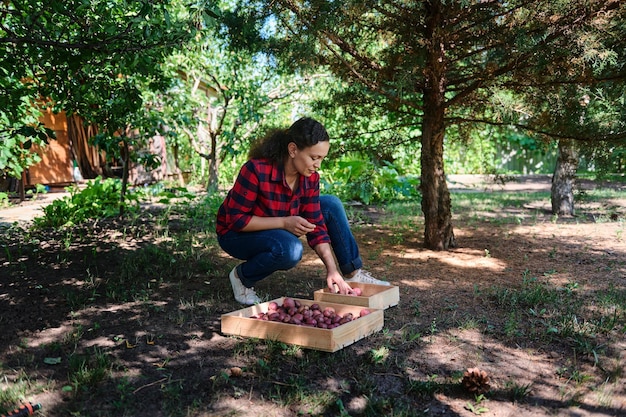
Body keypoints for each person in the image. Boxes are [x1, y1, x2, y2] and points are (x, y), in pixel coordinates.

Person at [216, 117, 390, 305]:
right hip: (236, 235)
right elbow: (236, 220)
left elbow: (317, 226)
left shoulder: (310, 178)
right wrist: (284, 222)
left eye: (322, 158)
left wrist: (332, 269)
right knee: (291, 250)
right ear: (293, 150)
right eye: (314, 158)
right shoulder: (256, 170)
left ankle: (351, 274)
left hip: (276, 224)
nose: (318, 165)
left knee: (330, 205)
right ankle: (242, 278)